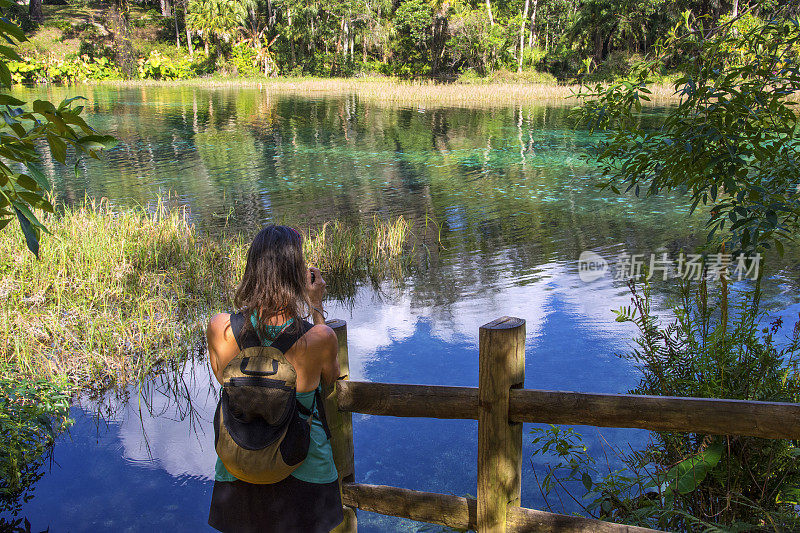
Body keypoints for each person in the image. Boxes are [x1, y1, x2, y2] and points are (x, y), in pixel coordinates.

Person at [206, 225, 344, 533]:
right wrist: (315, 305)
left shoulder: (219, 328)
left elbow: (222, 377)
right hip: (304, 469)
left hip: (238, 467)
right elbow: (332, 379)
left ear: (251, 269)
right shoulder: (319, 338)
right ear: (296, 275)